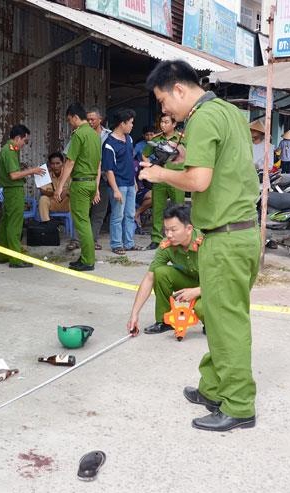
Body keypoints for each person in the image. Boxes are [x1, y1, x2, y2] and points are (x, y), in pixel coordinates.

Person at [139, 60, 261, 432]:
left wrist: (158, 173)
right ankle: (214, 389)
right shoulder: (230, 113)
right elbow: (216, 165)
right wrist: (176, 158)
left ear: (178, 89)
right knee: (216, 316)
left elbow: (200, 180)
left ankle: (239, 406)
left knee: (227, 322)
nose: (164, 111)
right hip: (234, 233)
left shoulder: (204, 117)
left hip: (226, 236)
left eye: (162, 101)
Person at [127, 205, 202, 335]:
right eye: (166, 230)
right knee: (160, 272)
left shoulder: (205, 242)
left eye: (173, 230)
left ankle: (212, 322)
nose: (169, 235)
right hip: (189, 280)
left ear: (189, 228)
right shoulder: (167, 245)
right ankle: (165, 321)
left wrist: (197, 291)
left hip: (212, 285)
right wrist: (134, 314)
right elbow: (149, 278)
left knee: (201, 309)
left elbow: (224, 278)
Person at [55, 103, 101, 272]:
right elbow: (98, 163)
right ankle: (85, 257)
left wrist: (60, 187)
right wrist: (96, 187)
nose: (70, 123)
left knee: (82, 223)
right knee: (85, 220)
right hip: (90, 183)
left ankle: (88, 260)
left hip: (80, 183)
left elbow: (70, 162)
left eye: (69, 120)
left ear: (75, 117)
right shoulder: (95, 135)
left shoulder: (79, 134)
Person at [0, 124, 45, 268]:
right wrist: (32, 171)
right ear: (18, 138)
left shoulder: (9, 149)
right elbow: (14, 175)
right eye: (25, 141)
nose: (24, 144)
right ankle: (16, 259)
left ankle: (3, 254)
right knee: (15, 225)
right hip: (14, 191)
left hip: (9, 191)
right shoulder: (10, 151)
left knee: (6, 223)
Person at [144, 114, 186, 250]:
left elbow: (189, 155)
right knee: (157, 208)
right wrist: (150, 167)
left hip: (177, 177)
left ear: (174, 124)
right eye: (162, 122)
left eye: (166, 122)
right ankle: (156, 238)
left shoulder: (181, 139)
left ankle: (180, 238)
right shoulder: (156, 139)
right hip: (160, 178)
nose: (163, 125)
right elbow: (144, 154)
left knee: (178, 208)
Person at [101, 108, 139, 254]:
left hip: (130, 183)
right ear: (122, 123)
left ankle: (129, 243)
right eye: (130, 123)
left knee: (130, 215)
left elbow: (130, 162)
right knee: (118, 216)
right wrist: (115, 189)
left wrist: (134, 181)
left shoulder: (129, 139)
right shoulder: (109, 143)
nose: (132, 126)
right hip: (118, 185)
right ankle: (117, 244)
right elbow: (108, 170)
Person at [38, 151, 79, 250]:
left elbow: (75, 189)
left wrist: (67, 191)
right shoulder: (46, 175)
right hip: (53, 202)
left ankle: (75, 238)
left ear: (63, 163)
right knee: (43, 199)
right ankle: (48, 229)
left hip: (66, 203)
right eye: (52, 163)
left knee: (75, 201)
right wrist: (55, 193)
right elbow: (44, 192)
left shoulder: (70, 174)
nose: (55, 166)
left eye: (58, 163)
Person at [87, 106, 111, 250]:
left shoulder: (109, 136)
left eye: (93, 119)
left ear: (100, 119)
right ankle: (76, 240)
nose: (90, 122)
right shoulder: (81, 134)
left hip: (103, 178)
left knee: (99, 212)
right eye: (88, 119)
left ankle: (93, 239)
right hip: (86, 176)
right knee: (83, 212)